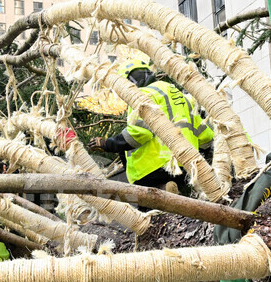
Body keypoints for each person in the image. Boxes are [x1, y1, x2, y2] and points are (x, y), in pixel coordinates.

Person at [86, 59, 201, 191]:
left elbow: (139, 134)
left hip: (156, 168)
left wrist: (107, 144)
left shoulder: (141, 97)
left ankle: (161, 190)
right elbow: (204, 134)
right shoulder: (181, 96)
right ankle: (171, 188)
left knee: (124, 149)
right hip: (189, 165)